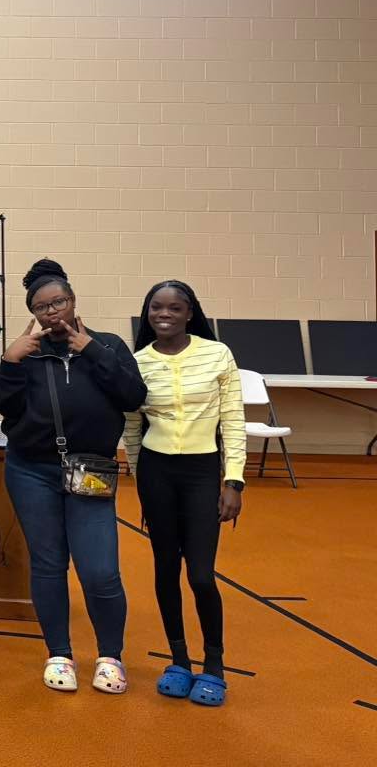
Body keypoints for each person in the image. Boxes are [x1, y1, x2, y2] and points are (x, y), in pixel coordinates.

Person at [0, 258, 147, 695]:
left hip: (91, 471)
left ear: (73, 301)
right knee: (47, 564)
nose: (52, 312)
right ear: (33, 314)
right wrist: (9, 361)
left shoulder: (109, 345)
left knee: (100, 570)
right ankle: (58, 653)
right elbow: (7, 407)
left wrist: (90, 350)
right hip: (31, 471)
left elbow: (133, 396)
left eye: (58, 302)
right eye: (42, 308)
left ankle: (109, 656)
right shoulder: (26, 351)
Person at [126, 280, 245, 707]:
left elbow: (232, 420)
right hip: (157, 473)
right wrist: (141, 484)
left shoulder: (217, 355)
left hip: (201, 471)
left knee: (199, 574)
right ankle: (178, 659)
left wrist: (233, 481)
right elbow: (133, 429)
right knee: (164, 569)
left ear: (190, 312)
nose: (165, 314)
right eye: (156, 307)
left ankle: (214, 666)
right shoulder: (138, 362)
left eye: (175, 308)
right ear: (147, 312)